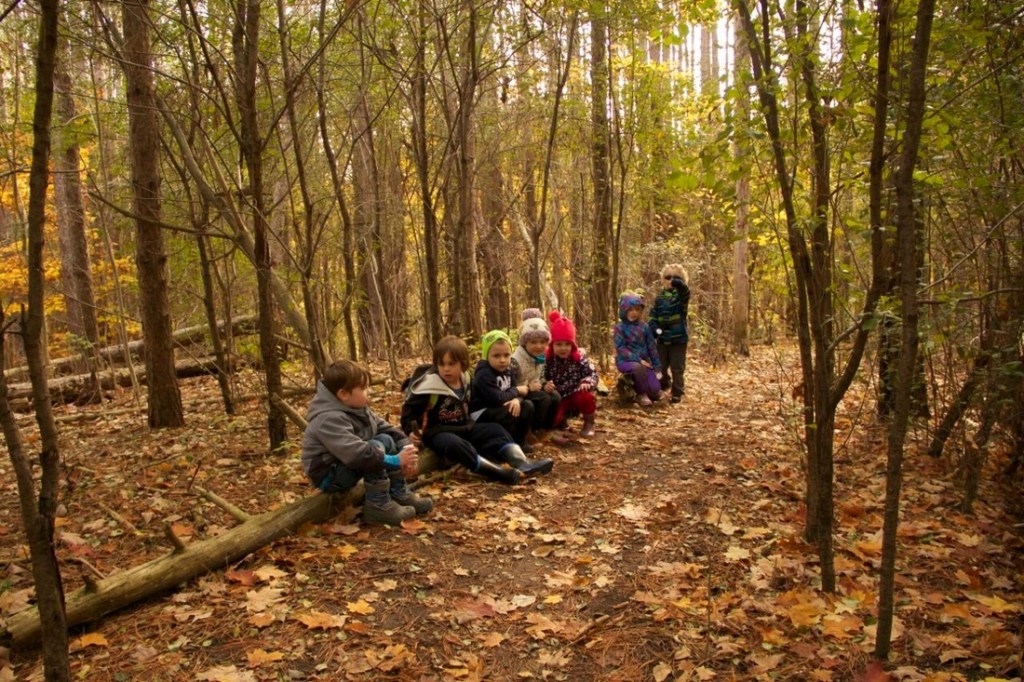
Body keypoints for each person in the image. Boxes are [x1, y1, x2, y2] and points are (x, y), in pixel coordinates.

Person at [401, 335, 553, 484]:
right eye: (442, 364)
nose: (446, 369)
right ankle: (497, 472)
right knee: (454, 443)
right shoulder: (429, 387)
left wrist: (514, 398)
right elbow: (409, 411)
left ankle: (522, 463)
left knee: (494, 430)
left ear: (463, 364)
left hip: (464, 426)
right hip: (438, 433)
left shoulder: (465, 379)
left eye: (451, 364)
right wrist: (410, 430)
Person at [301, 359, 432, 526]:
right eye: (363, 388)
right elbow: (358, 455)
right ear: (343, 394)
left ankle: (397, 492)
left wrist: (407, 449)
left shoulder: (357, 408)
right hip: (330, 475)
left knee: (385, 439)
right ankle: (378, 505)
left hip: (348, 464)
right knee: (374, 448)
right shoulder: (328, 419)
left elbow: (387, 429)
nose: (368, 392)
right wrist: (397, 460)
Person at [470, 329, 536, 451]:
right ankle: (507, 447)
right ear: (486, 355)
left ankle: (519, 443)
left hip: (500, 407)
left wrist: (516, 400)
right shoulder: (483, 374)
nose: (502, 360)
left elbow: (519, 391)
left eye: (506, 355)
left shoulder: (508, 369)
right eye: (496, 356)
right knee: (510, 412)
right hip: (482, 411)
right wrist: (516, 391)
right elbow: (497, 398)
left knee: (527, 405)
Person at [545, 310, 599, 437]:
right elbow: (542, 377)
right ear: (552, 345)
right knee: (554, 418)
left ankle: (589, 422)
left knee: (586, 396)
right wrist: (545, 384)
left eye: (567, 344)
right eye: (559, 344)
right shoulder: (548, 361)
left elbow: (592, 373)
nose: (563, 348)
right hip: (558, 397)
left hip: (575, 393)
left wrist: (586, 381)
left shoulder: (579, 358)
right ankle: (560, 422)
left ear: (572, 345)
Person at [511, 309, 561, 433]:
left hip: (536, 389)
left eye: (543, 342)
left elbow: (541, 376)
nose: (539, 346)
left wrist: (545, 385)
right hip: (520, 394)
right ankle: (534, 430)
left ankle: (547, 427)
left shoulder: (540, 357)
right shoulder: (515, 360)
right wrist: (528, 387)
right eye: (533, 342)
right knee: (544, 398)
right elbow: (510, 385)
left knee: (555, 396)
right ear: (524, 343)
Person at [649, 264, 691, 402]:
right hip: (662, 339)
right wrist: (654, 328)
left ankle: (677, 392)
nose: (671, 280)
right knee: (660, 365)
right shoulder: (659, 298)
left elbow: (685, 292)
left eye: (676, 277)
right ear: (663, 280)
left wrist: (679, 284)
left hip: (678, 339)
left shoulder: (680, 297)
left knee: (677, 367)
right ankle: (663, 384)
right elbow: (653, 315)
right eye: (668, 277)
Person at [614, 292, 663, 406]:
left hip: (645, 362)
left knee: (655, 390)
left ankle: (650, 392)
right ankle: (641, 394)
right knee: (637, 368)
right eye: (630, 310)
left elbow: (651, 347)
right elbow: (621, 348)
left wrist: (657, 367)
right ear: (624, 310)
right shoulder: (619, 328)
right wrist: (638, 360)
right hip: (626, 361)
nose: (634, 313)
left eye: (637, 309)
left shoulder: (644, 326)